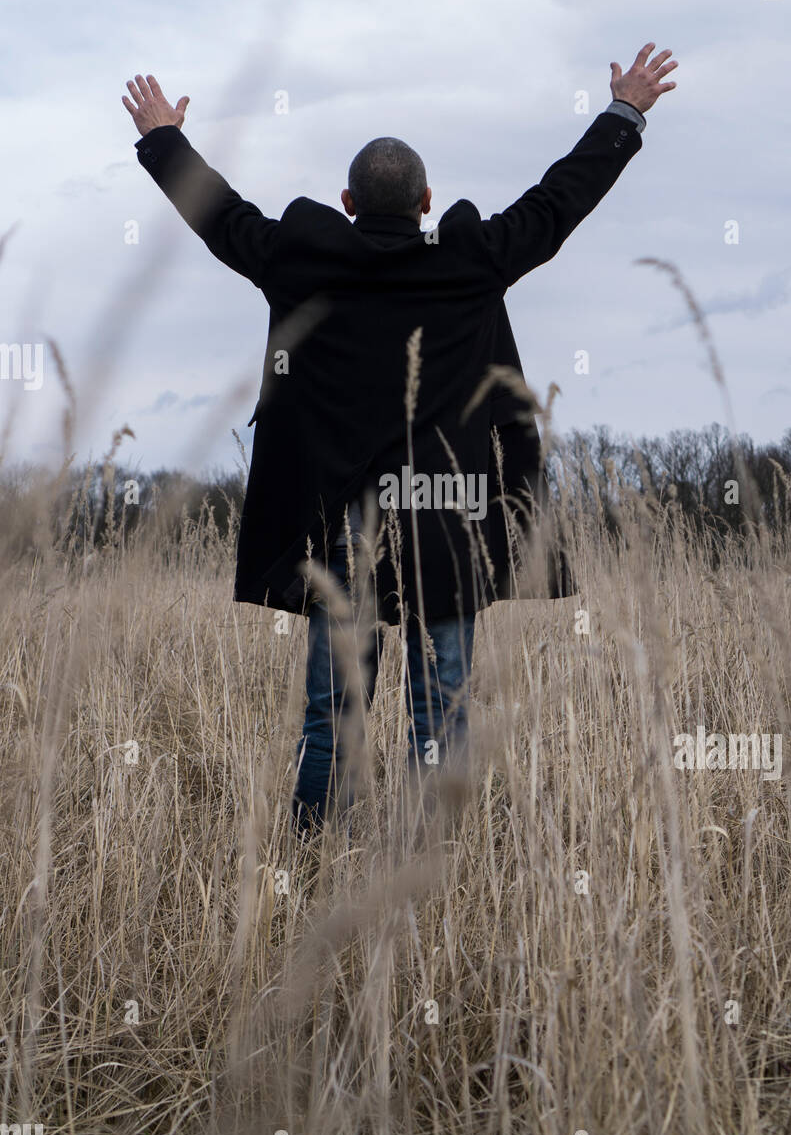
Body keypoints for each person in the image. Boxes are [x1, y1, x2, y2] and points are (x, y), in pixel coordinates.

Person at [124, 42, 677, 831]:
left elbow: (220, 216)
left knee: (332, 716)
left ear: (348, 200)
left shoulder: (297, 259)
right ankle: (429, 866)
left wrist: (162, 138)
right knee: (440, 716)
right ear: (426, 200)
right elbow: (559, 202)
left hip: (339, 522)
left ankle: (318, 860)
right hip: (446, 518)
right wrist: (624, 112)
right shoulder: (474, 261)